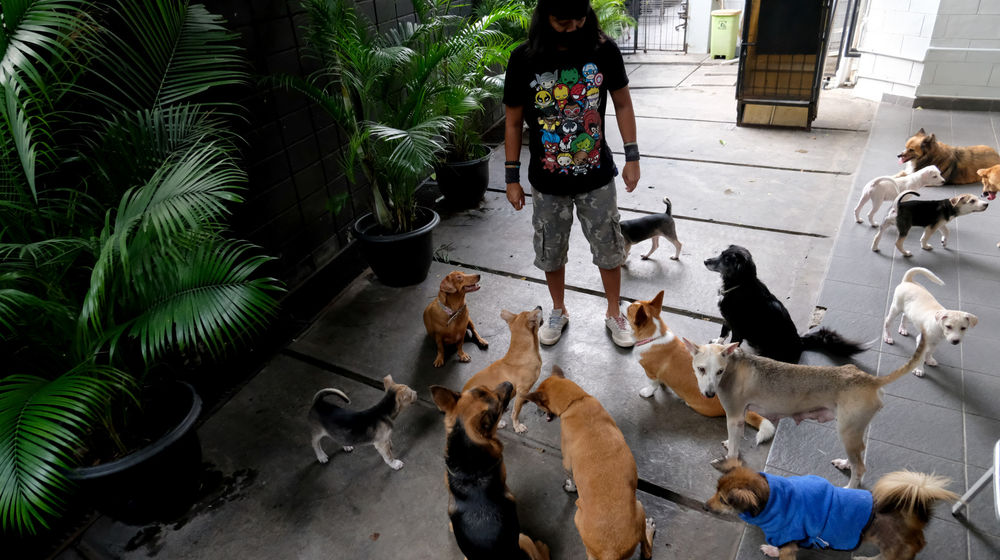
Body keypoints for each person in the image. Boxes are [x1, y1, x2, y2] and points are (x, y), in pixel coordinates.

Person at [502, 0, 641, 348]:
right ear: (545, 18)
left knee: (609, 246)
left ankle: (614, 312)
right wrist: (511, 177)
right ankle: (558, 310)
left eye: (579, 20)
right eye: (563, 22)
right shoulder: (524, 59)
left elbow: (623, 103)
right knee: (551, 249)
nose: (573, 28)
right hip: (547, 181)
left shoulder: (604, 50)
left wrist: (632, 156)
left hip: (596, 177)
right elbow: (514, 121)